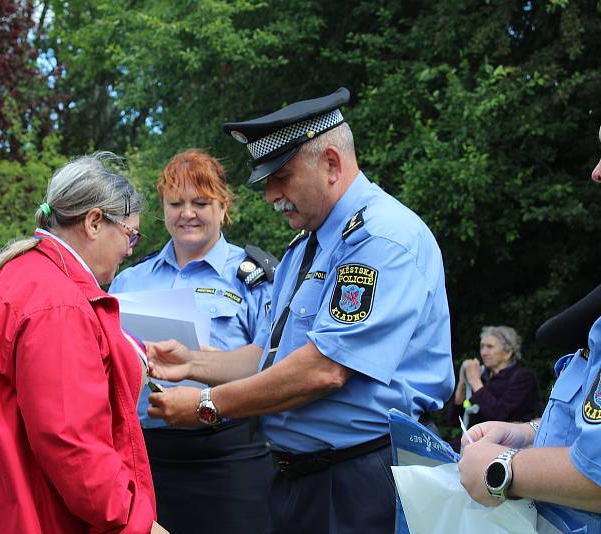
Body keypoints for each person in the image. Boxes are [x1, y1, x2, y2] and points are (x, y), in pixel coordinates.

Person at [146, 88, 454, 533]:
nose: (272, 195)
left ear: (331, 163)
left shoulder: (380, 240)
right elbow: (271, 358)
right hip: (302, 480)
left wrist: (208, 404)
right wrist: (191, 363)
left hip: (362, 478)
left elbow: (323, 370)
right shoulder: (304, 248)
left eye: (282, 177)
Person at [0, 153, 162, 533]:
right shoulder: (58, 304)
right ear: (94, 222)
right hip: (27, 515)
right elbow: (73, 446)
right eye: (130, 234)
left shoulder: (17, 275)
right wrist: (136, 522)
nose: (130, 248)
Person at [109, 149, 274, 534]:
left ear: (223, 205)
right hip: (149, 455)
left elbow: (272, 361)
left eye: (201, 202)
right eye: (176, 203)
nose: (187, 213)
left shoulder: (254, 277)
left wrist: (213, 366)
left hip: (230, 453)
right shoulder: (130, 280)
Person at [458, 129, 601, 518]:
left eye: (490, 346)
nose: (595, 172)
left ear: (508, 349)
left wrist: (503, 468)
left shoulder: (518, 378)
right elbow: (583, 427)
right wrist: (526, 434)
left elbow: (598, 474)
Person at [446, 325, 540, 451]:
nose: (483, 353)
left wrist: (475, 382)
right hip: (468, 444)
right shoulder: (483, 377)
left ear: (507, 352)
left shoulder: (523, 377)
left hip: (503, 449)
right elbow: (453, 421)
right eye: (482, 347)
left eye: (489, 347)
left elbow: (500, 415)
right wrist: (462, 385)